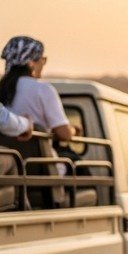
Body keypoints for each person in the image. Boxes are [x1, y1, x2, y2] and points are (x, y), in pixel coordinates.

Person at [1, 35, 81, 175]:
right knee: (80, 167)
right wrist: (74, 130)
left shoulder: (2, 89)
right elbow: (64, 133)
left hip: (11, 171)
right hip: (43, 169)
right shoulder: (43, 90)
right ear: (31, 62)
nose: (43, 63)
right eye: (42, 59)